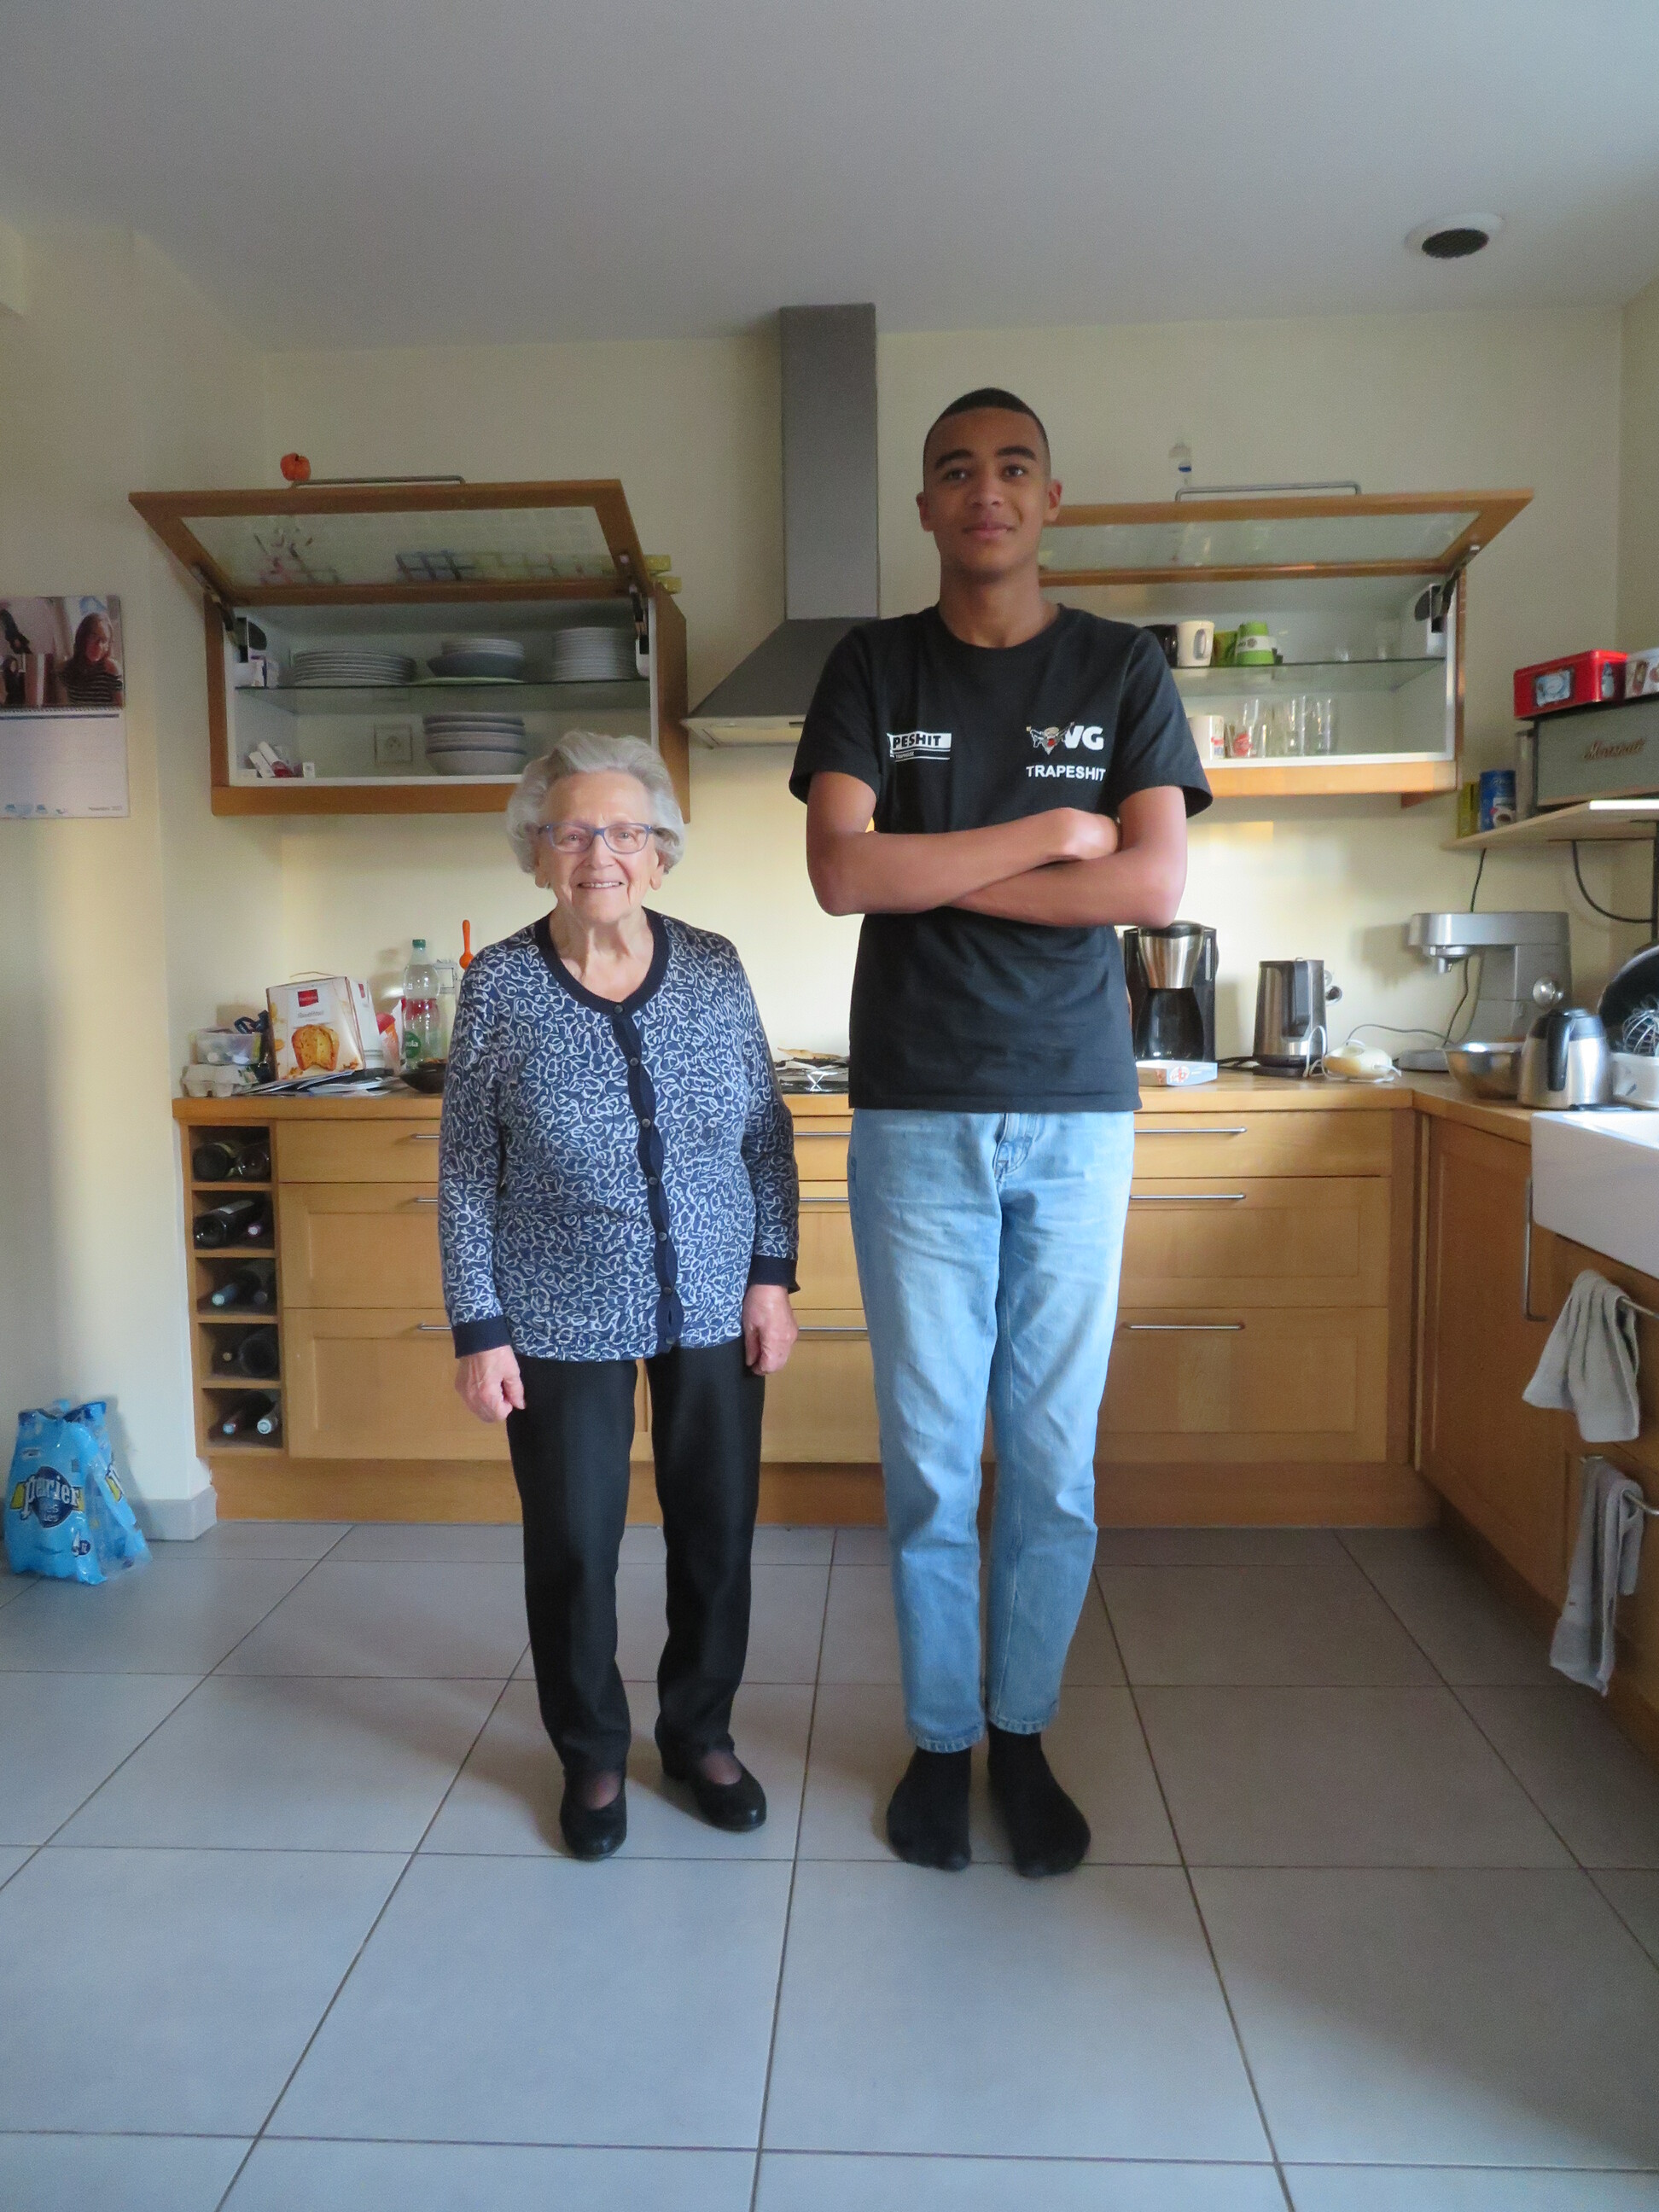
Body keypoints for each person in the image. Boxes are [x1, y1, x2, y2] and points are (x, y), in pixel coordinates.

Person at [791, 388, 1210, 1877]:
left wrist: (931, 865)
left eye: (1013, 467)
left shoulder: (1119, 666)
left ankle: (1019, 1733)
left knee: (1049, 1461)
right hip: (914, 1110)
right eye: (957, 470)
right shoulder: (871, 663)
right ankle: (938, 1739)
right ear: (924, 506)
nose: (986, 489)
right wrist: (1044, 833)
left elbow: (1149, 886)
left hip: (1076, 1115)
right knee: (924, 1458)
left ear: (1050, 500)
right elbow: (840, 873)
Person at [441, 730, 800, 1860]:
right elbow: (467, 1169)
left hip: (715, 1298)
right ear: (537, 851)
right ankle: (592, 1752)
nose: (601, 852)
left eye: (626, 831)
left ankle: (699, 1734)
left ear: (661, 852)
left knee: (715, 1533)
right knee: (573, 1543)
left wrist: (772, 1277)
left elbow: (766, 1136)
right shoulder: (501, 984)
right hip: (556, 1309)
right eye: (574, 830)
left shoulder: (716, 966)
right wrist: (480, 1328)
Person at [55, 610, 123, 707]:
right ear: (82, 638)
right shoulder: (66, 670)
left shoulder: (111, 671)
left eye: (104, 640)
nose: (98, 645)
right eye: (93, 637)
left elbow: (122, 709)